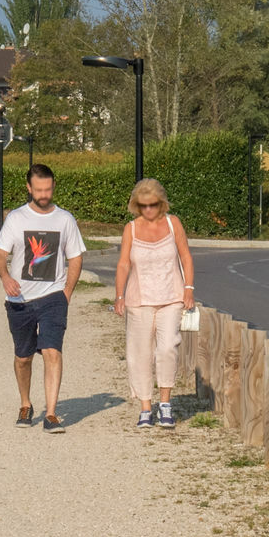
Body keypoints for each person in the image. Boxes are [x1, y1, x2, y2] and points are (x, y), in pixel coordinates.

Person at [0, 164, 87, 433]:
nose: (44, 194)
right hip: (19, 299)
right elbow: (0, 254)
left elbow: (76, 256)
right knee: (23, 357)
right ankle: (25, 403)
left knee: (51, 351)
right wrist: (5, 277)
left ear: (53, 186)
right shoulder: (16, 219)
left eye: (48, 189)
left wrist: (67, 292)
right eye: (39, 190)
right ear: (29, 188)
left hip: (53, 297)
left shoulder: (65, 219)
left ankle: (52, 413)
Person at [112, 177, 196, 430]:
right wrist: (119, 295)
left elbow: (185, 257)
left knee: (168, 347)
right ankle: (146, 408)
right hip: (140, 300)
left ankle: (166, 404)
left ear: (162, 203)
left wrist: (188, 289)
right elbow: (124, 263)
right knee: (140, 353)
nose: (148, 210)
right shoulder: (132, 228)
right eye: (143, 205)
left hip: (171, 296)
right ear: (136, 206)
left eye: (153, 205)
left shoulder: (173, 224)